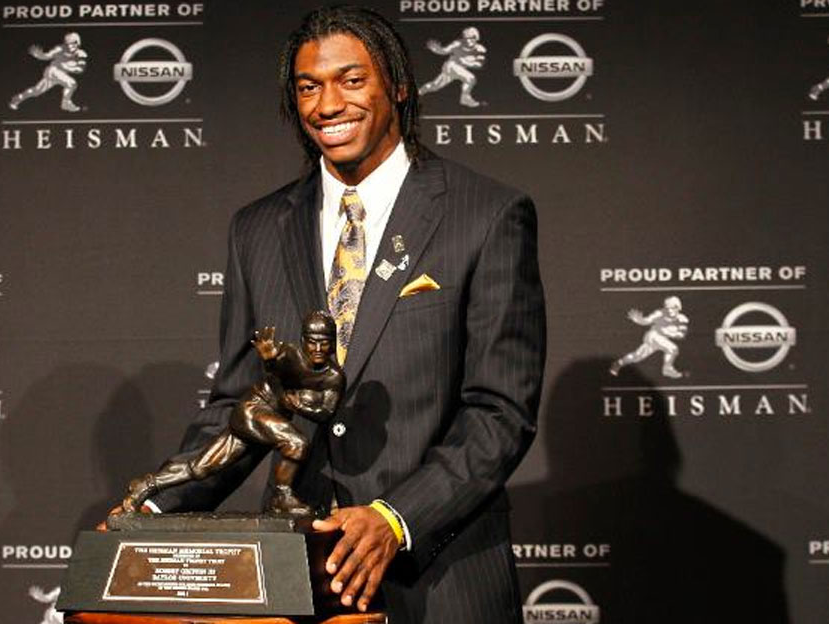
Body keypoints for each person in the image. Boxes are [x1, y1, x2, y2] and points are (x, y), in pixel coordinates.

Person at [122, 7, 545, 623]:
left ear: (396, 86)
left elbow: (500, 410)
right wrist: (153, 510)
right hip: (298, 582)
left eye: (351, 80)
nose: (327, 105)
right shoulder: (258, 229)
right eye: (308, 87)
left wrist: (394, 520)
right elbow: (241, 404)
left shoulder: (487, 214)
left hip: (441, 578)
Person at [119, 311, 345, 516]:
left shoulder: (333, 377)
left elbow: (325, 412)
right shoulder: (289, 354)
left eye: (324, 343)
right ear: (304, 341)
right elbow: (276, 369)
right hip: (253, 408)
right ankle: (281, 496)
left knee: (201, 467)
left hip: (266, 418)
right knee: (296, 443)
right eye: (313, 343)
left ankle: (146, 485)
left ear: (333, 343)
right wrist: (269, 359)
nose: (317, 350)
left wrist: (299, 406)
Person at [609, 296, 688, 379]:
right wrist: (639, 320)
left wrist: (668, 333)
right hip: (653, 336)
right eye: (667, 308)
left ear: (678, 307)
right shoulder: (659, 313)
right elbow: (647, 321)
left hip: (661, 340)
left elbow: (682, 335)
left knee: (637, 356)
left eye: (673, 308)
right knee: (673, 348)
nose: (669, 310)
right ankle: (667, 369)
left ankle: (618, 363)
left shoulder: (682, 319)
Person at [9, 32, 88, 112]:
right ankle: (65, 103)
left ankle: (18, 98)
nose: (70, 46)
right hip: (53, 71)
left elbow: (80, 69)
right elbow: (47, 56)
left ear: (78, 42)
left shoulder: (81, 54)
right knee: (72, 83)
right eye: (68, 43)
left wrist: (67, 67)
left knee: (37, 90)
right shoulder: (60, 48)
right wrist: (39, 55)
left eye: (73, 43)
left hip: (61, 74)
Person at [418, 27, 487, 107]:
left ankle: (419, 92)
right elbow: (444, 51)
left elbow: (479, 64)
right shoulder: (457, 43)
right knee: (470, 78)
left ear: (476, 37)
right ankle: (465, 98)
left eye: (472, 38)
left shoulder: (480, 49)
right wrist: (436, 49)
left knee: (435, 86)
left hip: (459, 70)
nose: (469, 41)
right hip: (451, 66)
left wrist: (467, 62)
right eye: (466, 38)